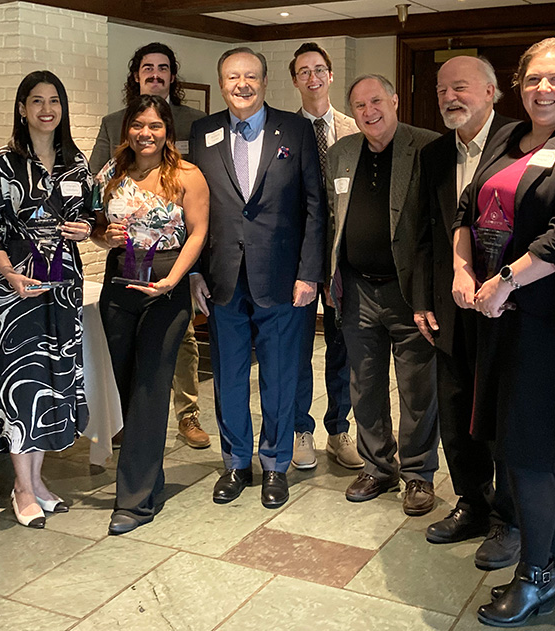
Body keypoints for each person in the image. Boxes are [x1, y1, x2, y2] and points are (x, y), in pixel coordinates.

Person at [456, 38, 555, 626]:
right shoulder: (505, 138)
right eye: (532, 80)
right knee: (514, 444)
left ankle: (536, 576)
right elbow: (467, 209)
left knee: (532, 449)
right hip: (500, 313)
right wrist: (462, 268)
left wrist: (501, 281)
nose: (542, 90)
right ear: (517, 85)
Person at [188, 47, 325, 509]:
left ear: (265, 82)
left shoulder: (296, 129)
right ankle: (235, 463)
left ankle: (275, 465)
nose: (241, 84)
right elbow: (194, 209)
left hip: (284, 279)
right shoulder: (202, 131)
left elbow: (314, 207)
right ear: (222, 83)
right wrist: (193, 275)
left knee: (281, 376)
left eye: (250, 76)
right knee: (227, 376)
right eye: (232, 77)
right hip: (221, 277)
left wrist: (310, 273)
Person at [0, 71, 95, 529]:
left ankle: (38, 481)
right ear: (22, 109)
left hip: (63, 289)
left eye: (54, 101)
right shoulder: (1, 165)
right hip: (18, 290)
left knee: (54, 382)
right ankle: (21, 487)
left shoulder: (75, 163)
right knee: (22, 382)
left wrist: (85, 229)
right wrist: (9, 273)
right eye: (36, 101)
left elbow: (88, 218)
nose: (47, 109)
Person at [415, 55, 521, 570]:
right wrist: (420, 300)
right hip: (449, 307)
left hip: (509, 304)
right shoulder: (433, 154)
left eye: (460, 88)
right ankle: (472, 504)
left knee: (502, 415)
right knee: (455, 415)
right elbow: (421, 234)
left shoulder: (522, 142)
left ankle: (509, 519)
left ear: (490, 91)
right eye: (441, 91)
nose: (449, 98)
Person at [93, 95, 210, 535]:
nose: (146, 133)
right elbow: (99, 229)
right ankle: (149, 476)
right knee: (124, 385)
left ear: (167, 130)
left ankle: (135, 501)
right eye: (138, 125)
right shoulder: (111, 172)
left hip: (165, 287)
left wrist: (174, 280)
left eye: (155, 126)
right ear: (127, 128)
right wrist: (106, 237)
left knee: (150, 387)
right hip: (119, 284)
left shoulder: (186, 175)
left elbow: (199, 233)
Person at [324, 75, 440, 515]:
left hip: (408, 294)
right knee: (365, 384)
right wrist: (328, 277)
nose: (369, 110)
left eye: (376, 101)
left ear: (394, 100)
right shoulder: (341, 154)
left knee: (417, 388)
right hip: (355, 289)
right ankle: (377, 465)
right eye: (359, 105)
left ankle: (418, 475)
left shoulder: (427, 147)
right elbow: (331, 221)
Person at [289, 42, 362, 471]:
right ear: (295, 79)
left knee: (342, 348)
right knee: (297, 349)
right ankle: (301, 429)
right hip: (298, 259)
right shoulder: (283, 132)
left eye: (320, 69)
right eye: (304, 71)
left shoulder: (355, 129)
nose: (313, 78)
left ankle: (338, 429)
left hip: (343, 259)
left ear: (330, 75)